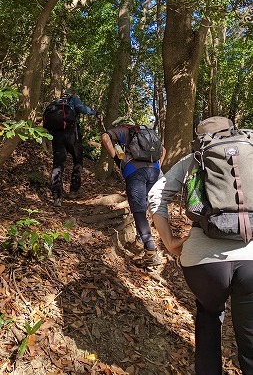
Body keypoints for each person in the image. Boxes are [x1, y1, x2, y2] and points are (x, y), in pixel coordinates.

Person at [148, 116, 253, 375]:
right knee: (250, 336)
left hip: (203, 264)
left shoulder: (194, 160)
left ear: (200, 138)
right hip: (251, 257)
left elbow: (155, 196)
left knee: (208, 318)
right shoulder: (250, 154)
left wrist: (171, 242)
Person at [102, 116, 166, 268]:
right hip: (154, 171)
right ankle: (139, 239)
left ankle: (150, 251)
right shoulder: (148, 131)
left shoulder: (124, 130)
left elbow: (105, 136)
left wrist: (114, 157)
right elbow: (163, 150)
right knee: (145, 205)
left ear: (121, 124)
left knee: (138, 210)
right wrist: (156, 166)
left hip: (135, 171)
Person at [50, 93, 101, 207]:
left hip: (56, 135)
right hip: (71, 133)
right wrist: (94, 112)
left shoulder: (56, 103)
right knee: (78, 161)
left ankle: (57, 196)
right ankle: (73, 191)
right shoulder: (73, 99)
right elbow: (81, 109)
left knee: (58, 164)